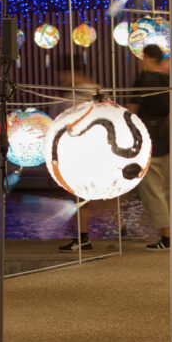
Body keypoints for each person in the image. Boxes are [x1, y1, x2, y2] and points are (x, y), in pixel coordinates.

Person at [130, 44, 172, 251]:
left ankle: (167, 237)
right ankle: (171, 232)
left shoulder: (143, 79)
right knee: (166, 190)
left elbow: (132, 110)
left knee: (152, 191)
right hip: (169, 139)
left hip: (150, 140)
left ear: (147, 58)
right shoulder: (168, 80)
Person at [56, 59, 99, 252]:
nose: (61, 78)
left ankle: (82, 238)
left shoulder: (77, 96)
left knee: (80, 195)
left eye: (63, 74)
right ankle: (82, 236)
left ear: (73, 73)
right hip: (91, 149)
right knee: (82, 196)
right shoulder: (98, 91)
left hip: (80, 151)